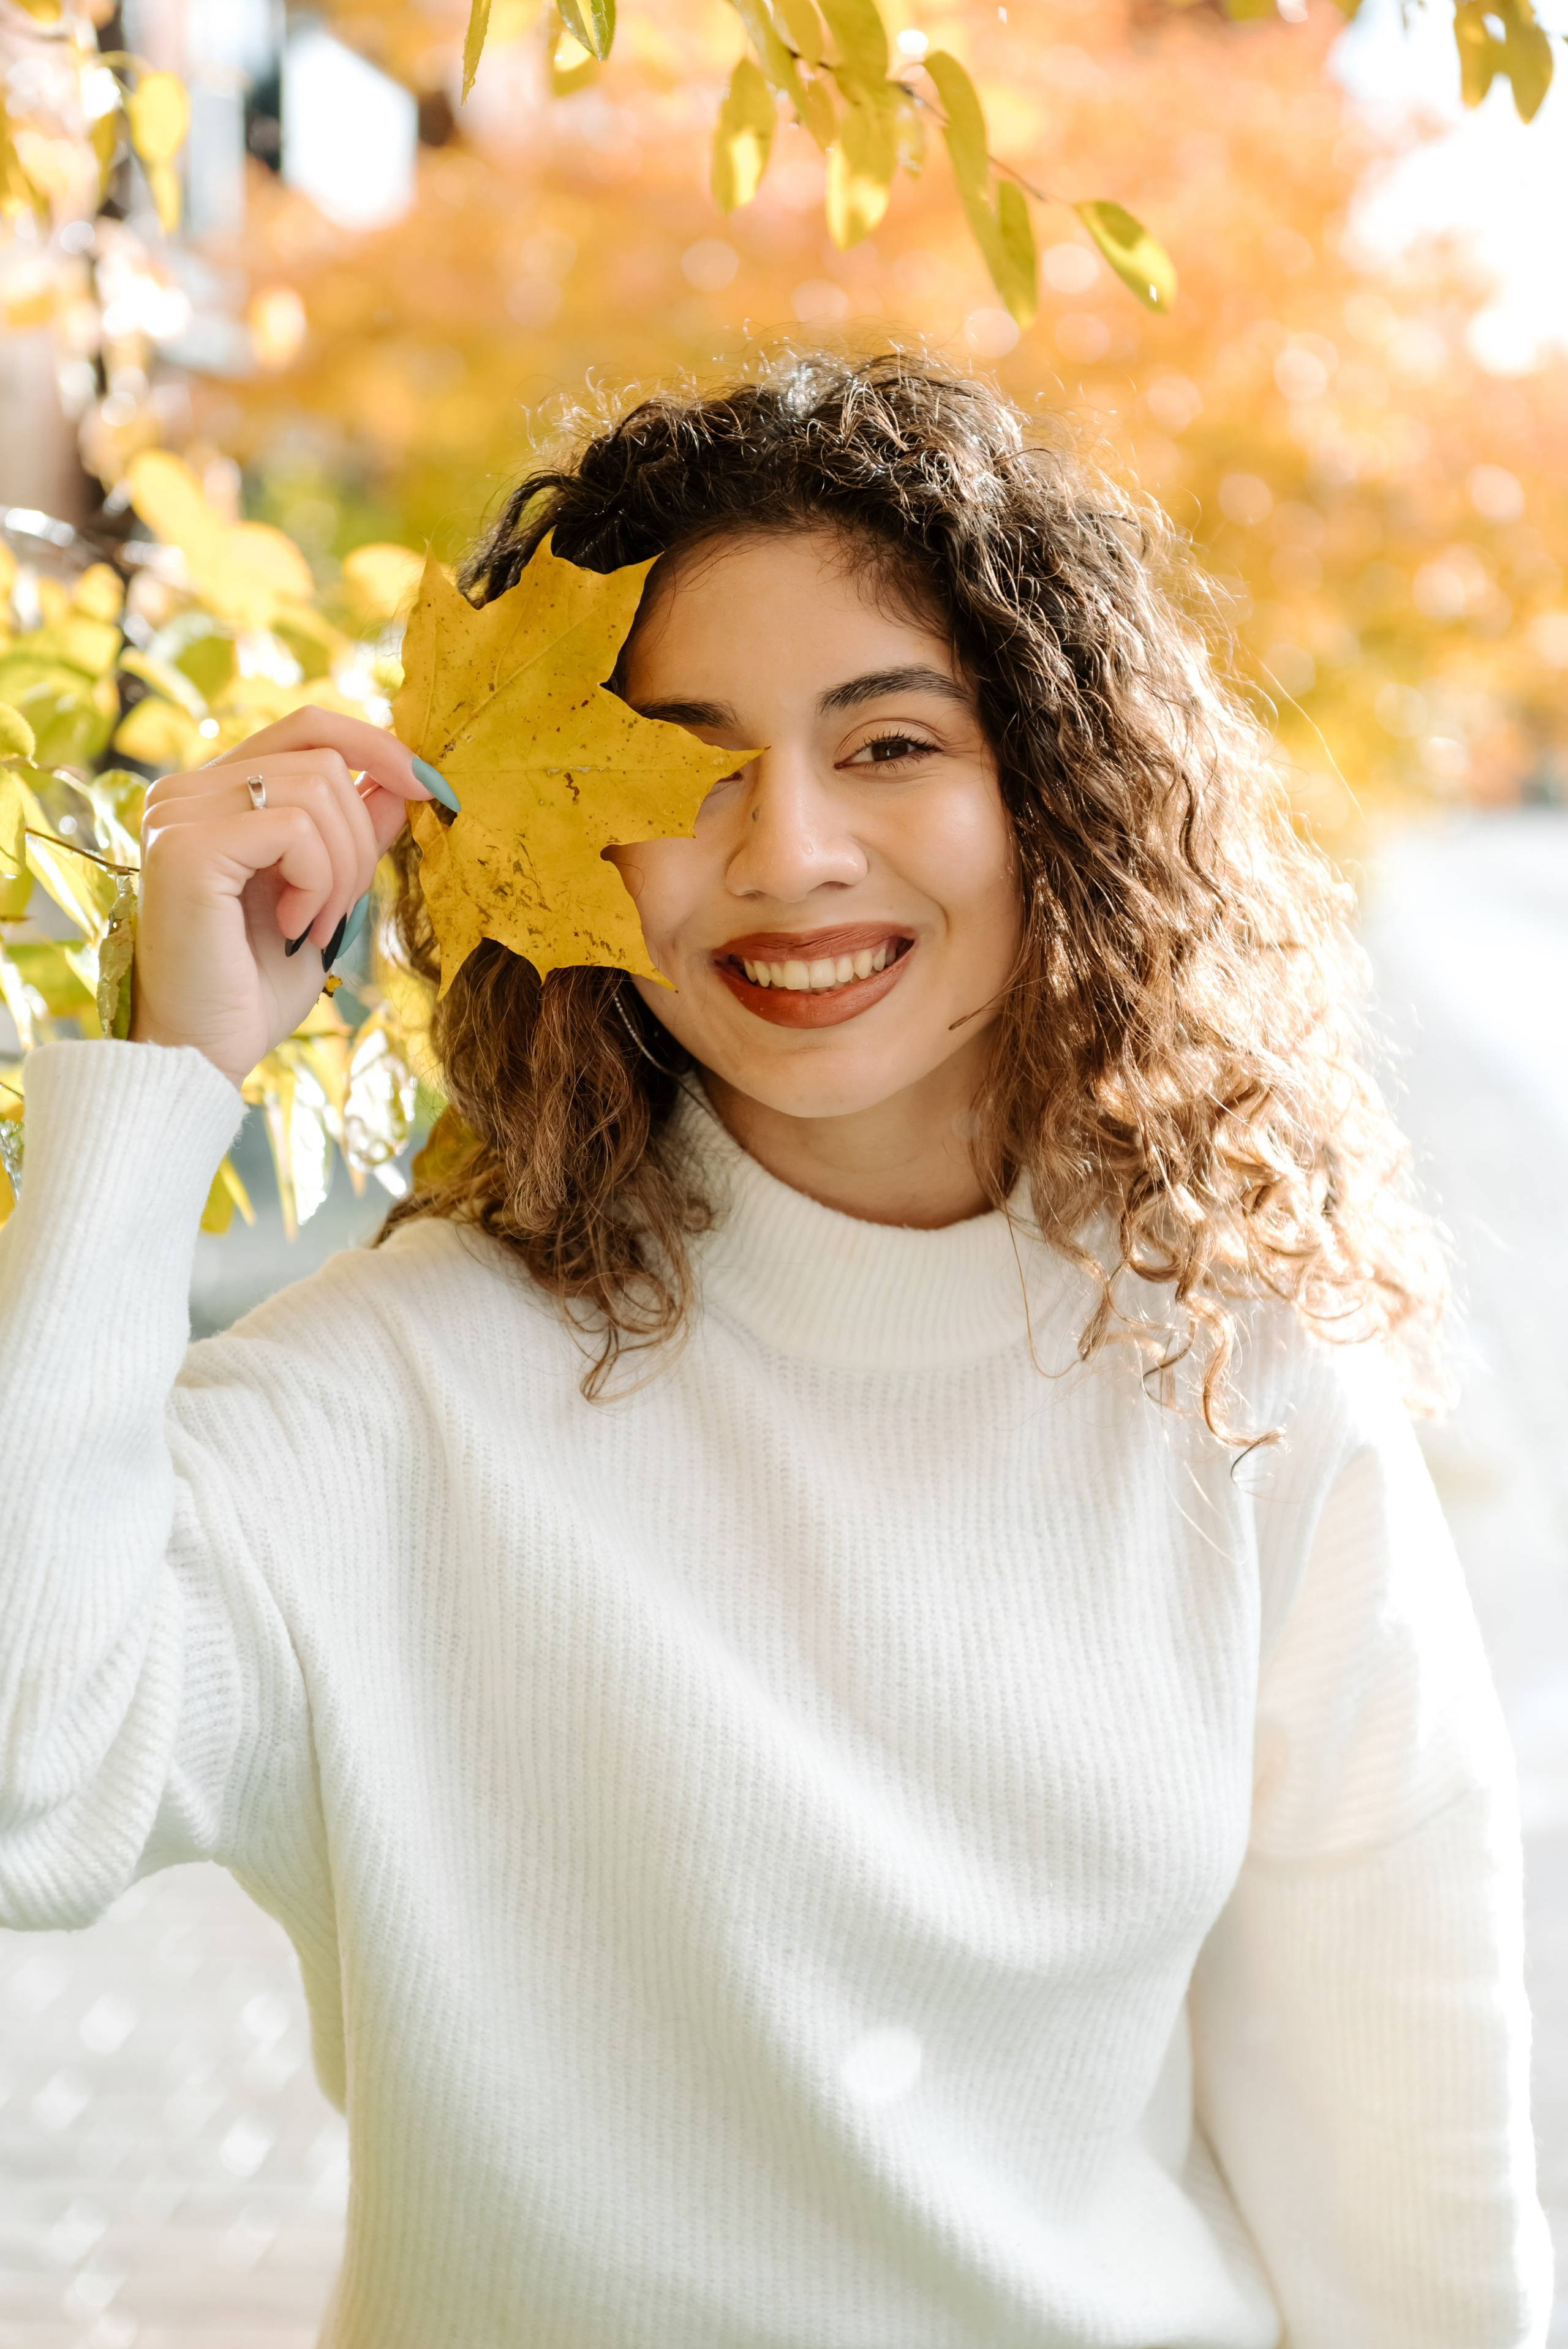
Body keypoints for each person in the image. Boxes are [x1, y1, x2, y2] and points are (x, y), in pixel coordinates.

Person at [0, 356, 1550, 2348]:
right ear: (564, 843)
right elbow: (31, 1786)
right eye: (681, 758)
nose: (791, 848)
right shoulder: (390, 1402)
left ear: (1050, 787)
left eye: (890, 741)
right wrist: (157, 1079)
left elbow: (1407, 2179)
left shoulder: (1236, 1382)